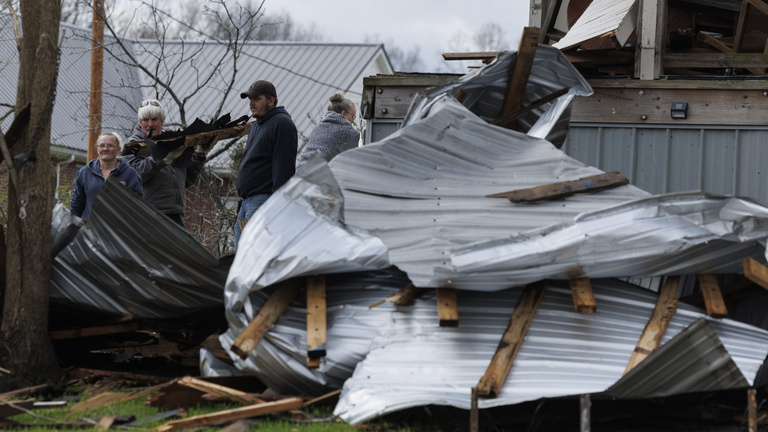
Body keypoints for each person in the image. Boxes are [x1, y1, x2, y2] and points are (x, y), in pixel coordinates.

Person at [123, 99, 206, 228]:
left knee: (180, 248)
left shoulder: (173, 142)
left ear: (162, 120)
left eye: (154, 119)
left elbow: (187, 180)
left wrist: (200, 155)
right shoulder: (132, 146)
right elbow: (135, 175)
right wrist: (161, 160)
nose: (150, 124)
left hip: (175, 213)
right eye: (145, 120)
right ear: (140, 122)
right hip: (149, 214)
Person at [235, 80, 298, 248]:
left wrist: (277, 209)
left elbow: (283, 171)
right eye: (249, 99)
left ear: (271, 101)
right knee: (240, 260)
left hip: (263, 202)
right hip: (247, 203)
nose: (251, 103)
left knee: (254, 258)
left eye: (256, 98)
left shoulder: (282, 124)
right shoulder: (257, 125)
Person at [70, 132, 143, 220]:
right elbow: (76, 205)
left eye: (110, 145)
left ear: (118, 149)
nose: (105, 149)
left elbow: (137, 208)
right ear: (97, 149)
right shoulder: (84, 173)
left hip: (118, 230)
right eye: (102, 145)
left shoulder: (130, 174)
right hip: (89, 229)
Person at [296, 92, 360, 168]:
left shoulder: (318, 127)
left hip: (300, 172)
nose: (353, 121)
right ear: (343, 113)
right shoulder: (346, 131)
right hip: (317, 175)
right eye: (353, 116)